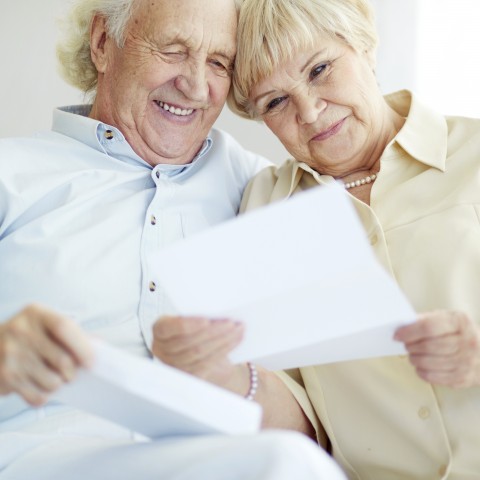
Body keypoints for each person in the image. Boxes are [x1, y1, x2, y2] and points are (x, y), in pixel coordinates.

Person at [0, 0, 348, 478]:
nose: (197, 85)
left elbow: (324, 422)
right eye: (173, 50)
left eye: (218, 63)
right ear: (103, 43)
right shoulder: (11, 174)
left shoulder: (262, 190)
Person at [153, 0, 480, 478]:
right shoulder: (264, 208)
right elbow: (300, 425)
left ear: (364, 44)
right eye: (275, 102)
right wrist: (219, 372)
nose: (308, 110)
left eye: (320, 69)